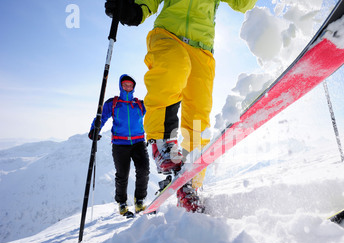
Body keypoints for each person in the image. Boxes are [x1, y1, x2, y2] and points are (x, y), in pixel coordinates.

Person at [104, 0, 258, 213]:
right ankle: (162, 141)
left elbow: (242, 4)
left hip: (202, 49)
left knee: (199, 115)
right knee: (174, 68)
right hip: (168, 35)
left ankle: (189, 183)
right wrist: (136, 9)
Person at [89, 74, 150, 218]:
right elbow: (101, 117)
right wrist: (94, 129)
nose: (128, 87)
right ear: (120, 86)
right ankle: (122, 204)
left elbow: (154, 111)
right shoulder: (113, 103)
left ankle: (139, 201)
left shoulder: (140, 104)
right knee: (122, 175)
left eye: (130, 85)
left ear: (134, 87)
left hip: (138, 142)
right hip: (120, 144)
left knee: (144, 170)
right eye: (125, 85)